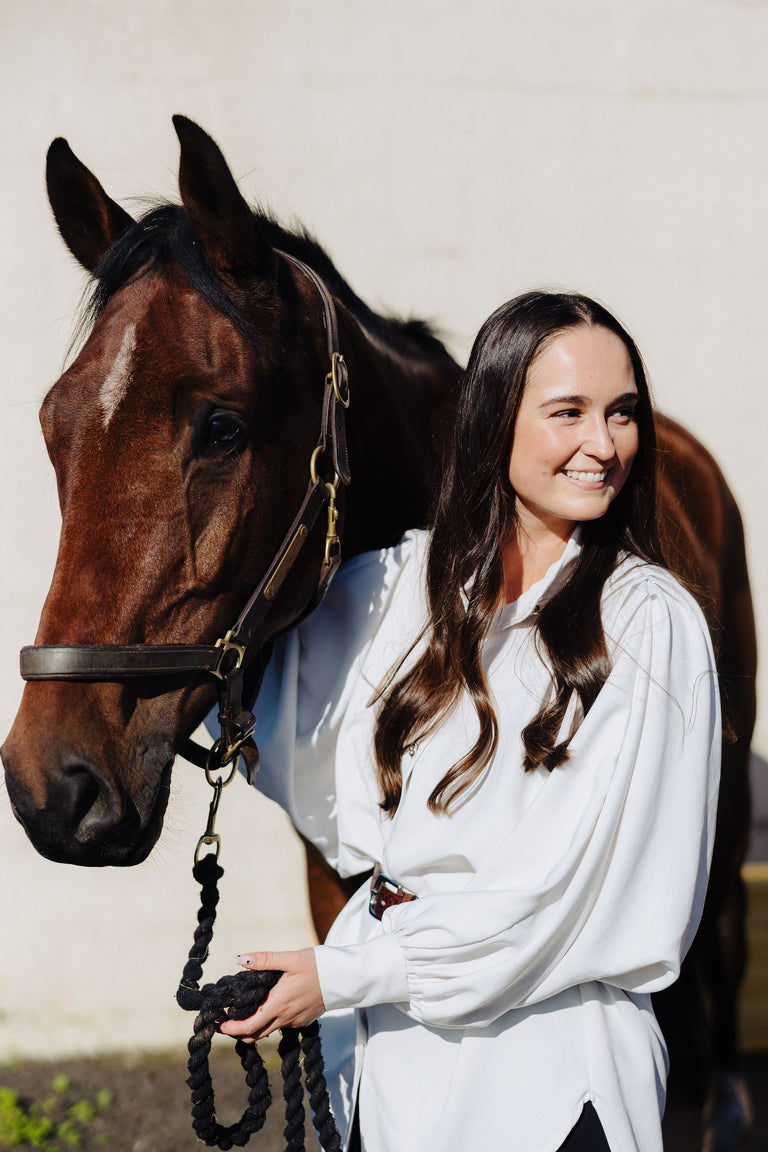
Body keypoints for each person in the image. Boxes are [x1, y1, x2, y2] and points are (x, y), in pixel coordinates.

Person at [218, 291, 720, 1151]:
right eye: (569, 412)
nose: (603, 445)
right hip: (382, 1070)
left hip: (544, 1076)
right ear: (494, 422)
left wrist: (346, 973)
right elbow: (243, 672)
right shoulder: (405, 589)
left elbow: (556, 895)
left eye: (622, 413)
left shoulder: (648, 622)